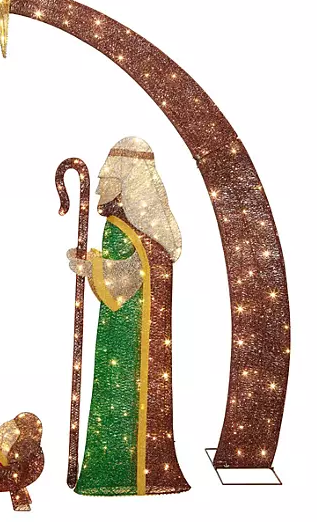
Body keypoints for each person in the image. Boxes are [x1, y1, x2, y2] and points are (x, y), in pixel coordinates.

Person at [68, 138, 189, 496]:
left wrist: (91, 267)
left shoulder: (130, 228)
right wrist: (93, 265)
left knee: (122, 397)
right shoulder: (135, 227)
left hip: (131, 336)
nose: (101, 188)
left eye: (109, 179)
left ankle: (118, 475)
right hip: (125, 329)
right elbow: (125, 271)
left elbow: (126, 279)